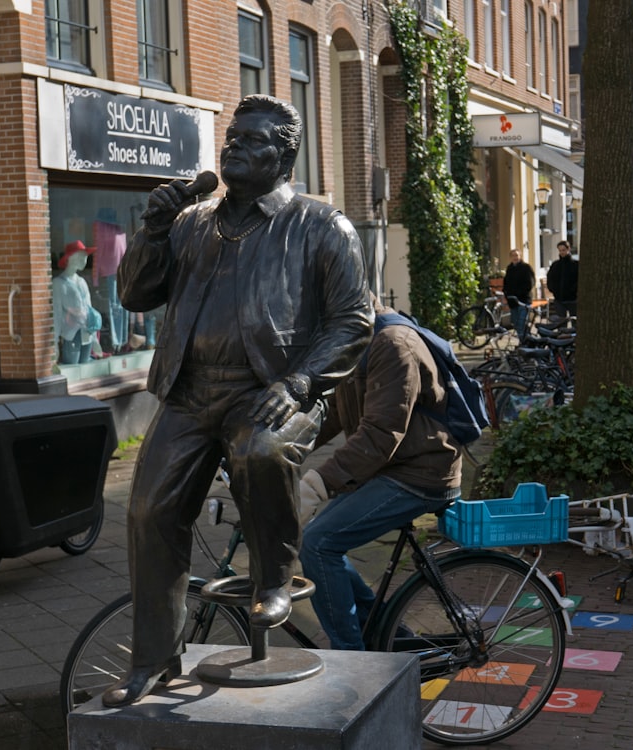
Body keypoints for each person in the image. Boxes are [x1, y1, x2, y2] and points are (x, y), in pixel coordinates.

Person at [105, 94, 373, 706]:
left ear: (285, 155)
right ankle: (154, 660)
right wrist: (152, 229)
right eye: (231, 139)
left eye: (252, 141)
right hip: (189, 392)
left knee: (260, 450)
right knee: (148, 511)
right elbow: (134, 295)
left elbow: (354, 321)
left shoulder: (320, 226)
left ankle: (274, 574)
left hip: (277, 390)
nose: (234, 148)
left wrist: (300, 383)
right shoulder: (192, 223)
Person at [297, 294, 461, 650]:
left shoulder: (393, 344)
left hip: (420, 473)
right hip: (393, 465)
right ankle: (389, 639)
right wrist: (285, 449)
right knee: (323, 542)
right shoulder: (358, 341)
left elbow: (381, 433)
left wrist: (318, 483)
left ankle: (353, 665)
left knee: (319, 542)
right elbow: (338, 413)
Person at [53, 241, 99, 364]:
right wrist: (55, 341)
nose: (85, 260)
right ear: (71, 258)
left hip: (87, 334)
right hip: (71, 335)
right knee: (72, 369)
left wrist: (95, 339)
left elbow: (90, 311)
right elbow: (56, 314)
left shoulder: (82, 282)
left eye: (85, 257)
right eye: (81, 256)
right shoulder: (59, 284)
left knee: (85, 369)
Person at [502, 249, 535, 340]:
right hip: (512, 301)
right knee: (516, 323)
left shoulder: (526, 268)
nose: (515, 257)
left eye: (516, 255)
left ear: (520, 256)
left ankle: (523, 343)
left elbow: (530, 283)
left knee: (522, 323)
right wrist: (506, 294)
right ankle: (527, 340)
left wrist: (519, 293)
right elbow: (506, 283)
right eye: (513, 256)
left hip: (523, 301)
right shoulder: (509, 268)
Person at [547, 240, 578, 320]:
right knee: (560, 323)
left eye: (563, 250)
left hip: (573, 299)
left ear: (568, 249)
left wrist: (573, 290)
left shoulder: (576, 264)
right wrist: (553, 290)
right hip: (559, 299)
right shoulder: (555, 265)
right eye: (560, 250)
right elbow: (550, 278)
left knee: (575, 322)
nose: (562, 252)